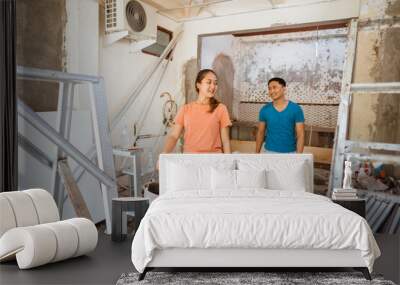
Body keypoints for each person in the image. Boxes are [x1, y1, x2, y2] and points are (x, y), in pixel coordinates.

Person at [161, 69, 232, 155]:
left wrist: (228, 161)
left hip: (213, 160)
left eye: (215, 83)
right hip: (190, 159)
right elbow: (174, 136)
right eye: (209, 82)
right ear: (198, 85)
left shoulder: (221, 109)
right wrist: (163, 155)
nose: (213, 86)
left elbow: (225, 141)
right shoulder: (185, 109)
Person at [256, 77, 305, 153]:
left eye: (275, 87)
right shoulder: (264, 110)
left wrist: (298, 157)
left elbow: (300, 135)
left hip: (290, 153)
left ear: (284, 88)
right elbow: (260, 132)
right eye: (269, 88)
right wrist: (256, 153)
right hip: (269, 152)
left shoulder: (296, 109)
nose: (272, 91)